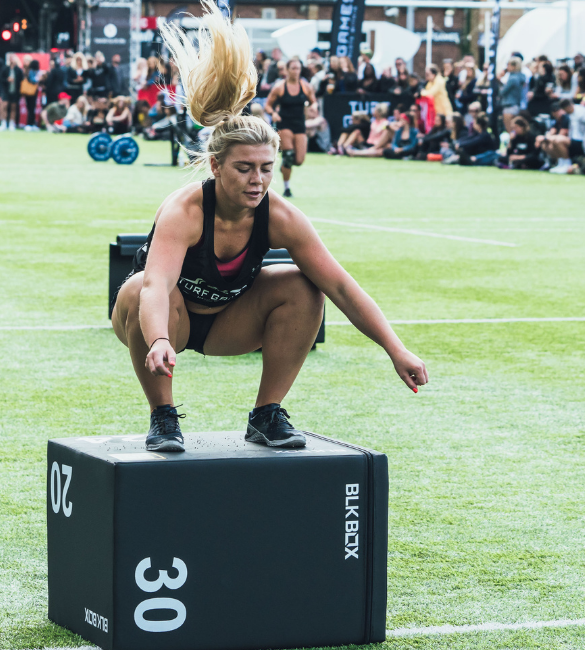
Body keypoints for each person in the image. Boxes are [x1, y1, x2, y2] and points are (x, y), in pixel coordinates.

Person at [113, 1, 428, 452]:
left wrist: (396, 349)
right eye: (244, 168)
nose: (257, 180)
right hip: (167, 322)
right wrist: (161, 339)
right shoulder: (184, 209)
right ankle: (163, 417)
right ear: (217, 166)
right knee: (135, 284)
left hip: (231, 324)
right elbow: (156, 288)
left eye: (266, 168)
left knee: (305, 286)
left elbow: (341, 287)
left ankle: (266, 414)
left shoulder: (280, 217)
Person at [265, 56, 317, 197]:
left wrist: (314, 107)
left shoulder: (305, 86)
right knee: (288, 155)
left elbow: (313, 101)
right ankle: (287, 188)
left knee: (299, 160)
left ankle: (284, 167)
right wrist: (274, 114)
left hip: (299, 124)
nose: (296, 71)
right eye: (293, 68)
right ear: (287, 70)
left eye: (298, 68)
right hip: (285, 123)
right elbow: (268, 105)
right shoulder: (280, 87)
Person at [3, 53, 23, 131]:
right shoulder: (5, 68)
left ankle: (11, 123)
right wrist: (7, 80)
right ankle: (4, 123)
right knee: (4, 106)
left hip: (15, 91)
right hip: (6, 91)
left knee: (13, 108)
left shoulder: (18, 70)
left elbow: (21, 80)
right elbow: (0, 79)